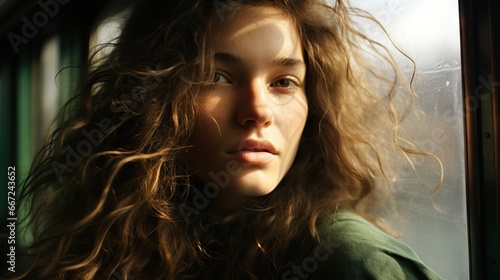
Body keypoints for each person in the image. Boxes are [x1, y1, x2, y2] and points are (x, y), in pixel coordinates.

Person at [10, 0, 442, 279]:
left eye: (284, 82)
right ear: (152, 98)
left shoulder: (354, 263)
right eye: (216, 76)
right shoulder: (123, 245)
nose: (257, 110)